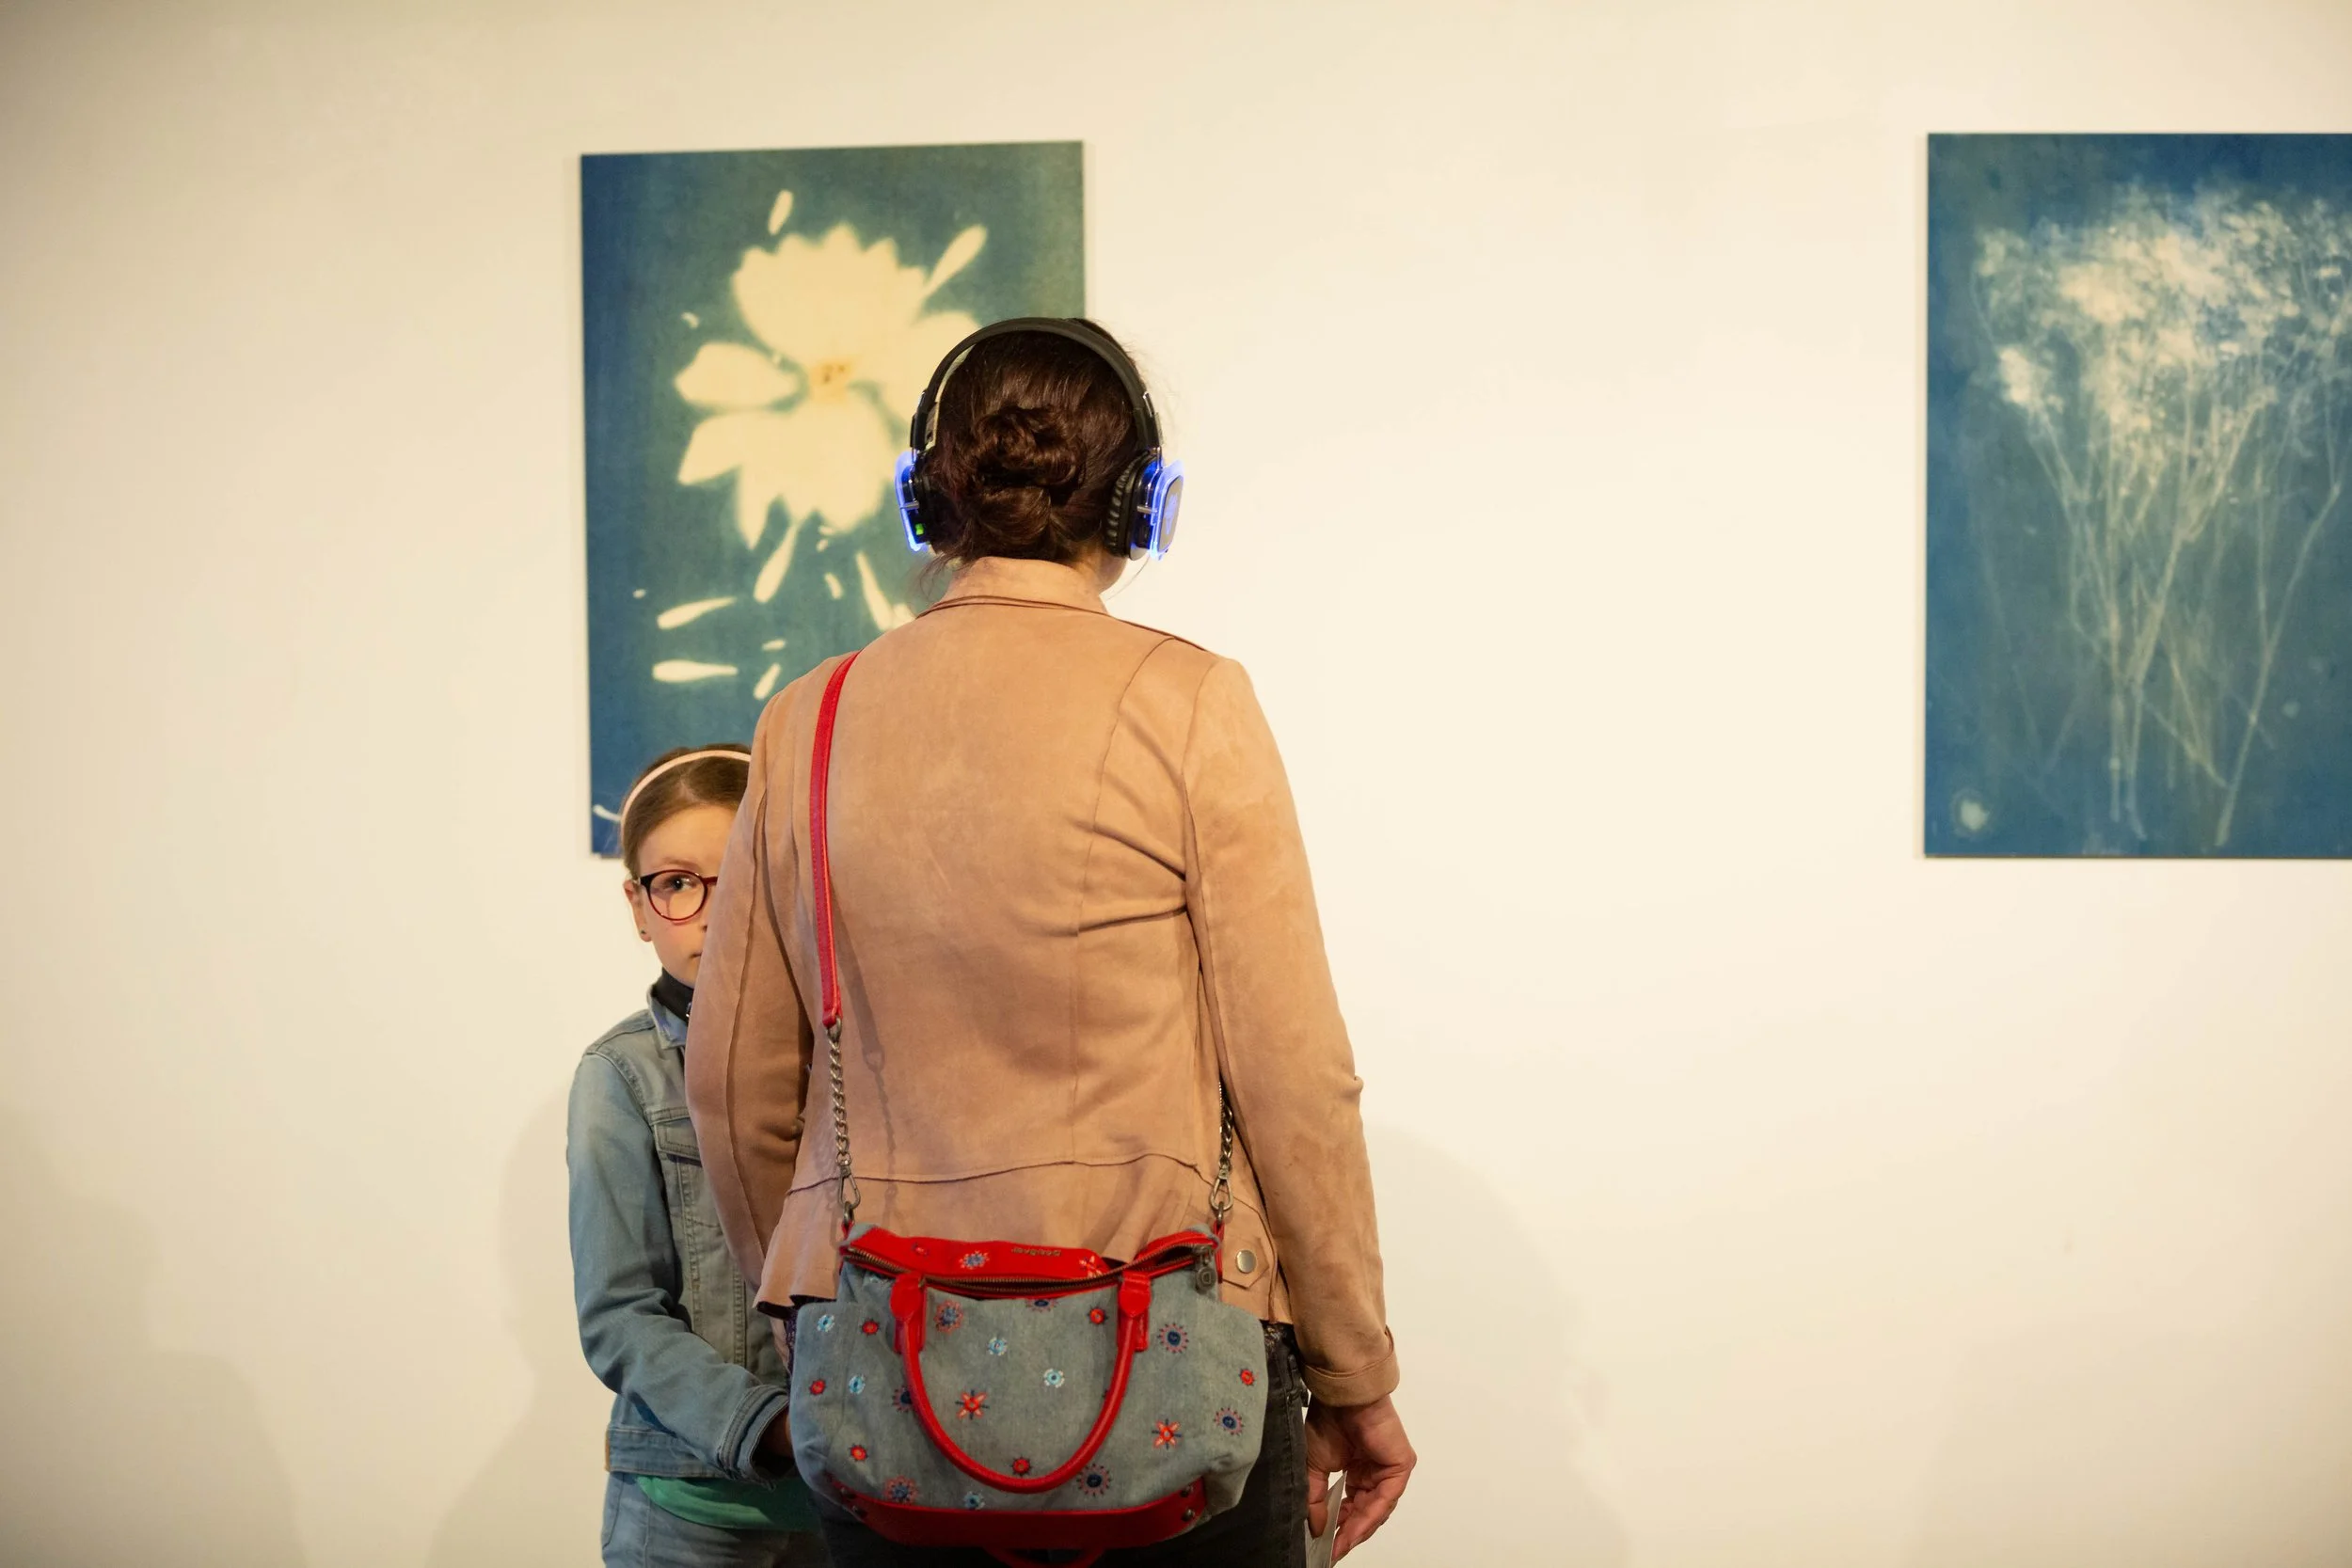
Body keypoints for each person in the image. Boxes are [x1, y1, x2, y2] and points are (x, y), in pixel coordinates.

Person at [686, 321, 1414, 1566]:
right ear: (1143, 503)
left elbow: (731, 1084)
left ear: (928, 500)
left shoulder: (810, 718)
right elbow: (1295, 1076)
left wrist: (821, 1306)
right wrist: (1355, 1366)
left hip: (892, 1391)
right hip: (1178, 1378)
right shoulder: (1193, 703)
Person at [568, 744, 831, 1567]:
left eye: (739, 874)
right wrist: (767, 1422)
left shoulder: (853, 1062)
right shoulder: (621, 1077)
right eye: (677, 883)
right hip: (690, 1514)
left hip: (847, 1506)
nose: (712, 913)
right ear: (638, 907)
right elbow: (619, 1316)